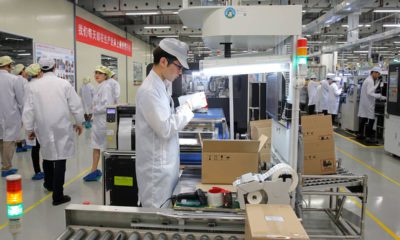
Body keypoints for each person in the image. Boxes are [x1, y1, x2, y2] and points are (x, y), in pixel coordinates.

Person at [135, 38, 207, 208]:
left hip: (165, 167)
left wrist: (187, 102)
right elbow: (166, 129)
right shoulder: (150, 90)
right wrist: (189, 106)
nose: (180, 72)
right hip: (156, 173)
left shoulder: (162, 85)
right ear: (163, 61)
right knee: (157, 220)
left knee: (166, 215)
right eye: (179, 66)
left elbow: (167, 112)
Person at [22, 57, 84, 205]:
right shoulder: (64, 84)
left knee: (47, 155)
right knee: (60, 157)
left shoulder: (32, 86)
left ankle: (49, 184)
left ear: (40, 68)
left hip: (42, 126)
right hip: (61, 125)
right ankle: (58, 195)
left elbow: (28, 110)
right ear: (55, 66)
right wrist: (79, 122)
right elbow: (75, 105)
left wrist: (29, 129)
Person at [83, 65, 114, 182]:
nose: (97, 75)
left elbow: (107, 105)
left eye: (100, 73)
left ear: (105, 75)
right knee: (96, 146)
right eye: (96, 73)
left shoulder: (106, 87)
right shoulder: (100, 86)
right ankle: (94, 170)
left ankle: (108, 171)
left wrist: (94, 109)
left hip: (103, 122)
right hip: (98, 122)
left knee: (104, 147)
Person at [0, 56, 24, 177]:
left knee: (1, 140)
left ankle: (4, 163)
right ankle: (6, 167)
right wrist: (24, 115)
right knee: (9, 141)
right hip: (11, 114)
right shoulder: (14, 79)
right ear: (8, 66)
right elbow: (20, 100)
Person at [24, 63, 45, 180]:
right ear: (38, 72)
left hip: (34, 122)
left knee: (35, 148)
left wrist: (29, 128)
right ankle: (45, 171)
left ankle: (38, 171)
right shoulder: (40, 85)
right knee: (45, 148)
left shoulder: (29, 85)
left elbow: (27, 110)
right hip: (43, 122)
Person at [357, 67, 386, 143]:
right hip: (368, 103)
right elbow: (370, 92)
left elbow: (369, 91)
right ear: (374, 72)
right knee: (371, 119)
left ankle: (360, 134)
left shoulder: (368, 79)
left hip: (364, 103)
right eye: (378, 74)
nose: (378, 76)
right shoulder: (370, 81)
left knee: (363, 118)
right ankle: (368, 137)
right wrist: (379, 96)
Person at [12, 64, 29, 153]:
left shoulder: (14, 79)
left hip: (14, 107)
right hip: (23, 106)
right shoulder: (23, 81)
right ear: (21, 71)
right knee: (25, 126)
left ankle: (19, 146)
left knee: (19, 128)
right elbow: (26, 95)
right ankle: (26, 144)